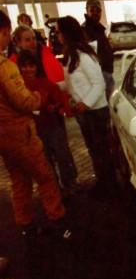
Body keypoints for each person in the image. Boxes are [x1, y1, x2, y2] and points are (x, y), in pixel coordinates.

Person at [0, 10, 71, 239]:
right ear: (4, 32)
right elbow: (23, 100)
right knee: (45, 176)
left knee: (19, 181)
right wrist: (39, 97)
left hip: (4, 138)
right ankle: (59, 221)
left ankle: (26, 226)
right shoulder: (5, 67)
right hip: (20, 133)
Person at [57, 16, 114, 197]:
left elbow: (99, 83)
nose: (57, 35)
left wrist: (85, 103)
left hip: (95, 112)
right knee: (94, 150)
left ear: (66, 33)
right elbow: (71, 84)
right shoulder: (72, 55)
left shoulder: (84, 55)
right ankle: (103, 183)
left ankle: (109, 186)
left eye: (59, 31)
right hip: (86, 113)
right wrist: (54, 87)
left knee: (101, 151)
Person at [16, 50, 78, 195]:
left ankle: (70, 185)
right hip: (33, 131)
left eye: (31, 66)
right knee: (45, 162)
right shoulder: (18, 87)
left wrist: (54, 107)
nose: (28, 69)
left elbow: (58, 99)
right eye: (24, 66)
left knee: (62, 157)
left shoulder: (44, 82)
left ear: (36, 67)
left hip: (52, 126)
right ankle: (54, 188)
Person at [81, 0, 115, 100]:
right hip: (99, 74)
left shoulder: (98, 28)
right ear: (87, 11)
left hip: (106, 71)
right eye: (92, 10)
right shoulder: (85, 30)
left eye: (98, 10)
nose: (95, 13)